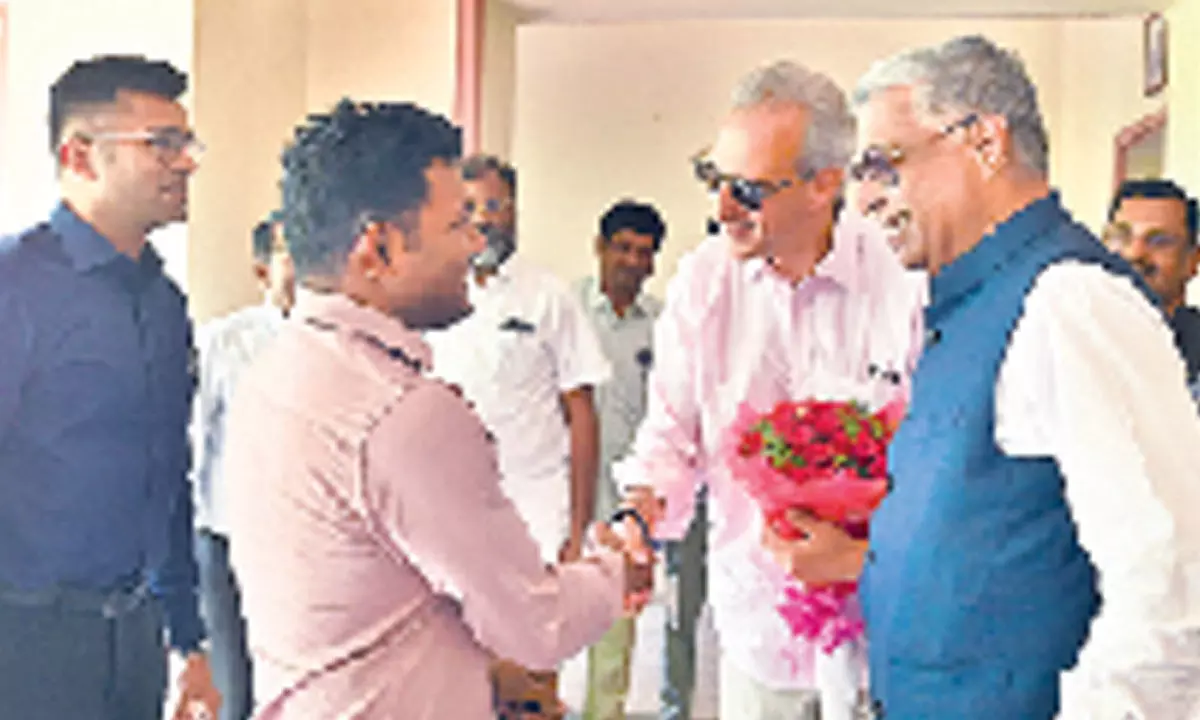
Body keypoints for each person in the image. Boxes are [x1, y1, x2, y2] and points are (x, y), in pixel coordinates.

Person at [769, 35, 1200, 718]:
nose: (865, 200)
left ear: (985, 142)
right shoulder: (967, 302)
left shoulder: (1071, 300)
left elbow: (1172, 587)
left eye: (882, 165)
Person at [223, 99, 652, 719]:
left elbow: (373, 603)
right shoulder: (402, 413)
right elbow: (539, 624)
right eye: (458, 225)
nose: (476, 243)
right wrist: (617, 571)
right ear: (379, 248)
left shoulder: (275, 372)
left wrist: (484, 675)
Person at [616, 60, 923, 720]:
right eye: (713, 178)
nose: (721, 208)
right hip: (760, 633)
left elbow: (936, 464)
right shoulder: (702, 284)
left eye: (748, 190)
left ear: (825, 183)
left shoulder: (902, 279)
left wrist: (863, 555)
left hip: (886, 634)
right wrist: (639, 517)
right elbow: (670, 438)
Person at [0, 55, 219, 720]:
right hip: (26, 638)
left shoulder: (163, 301)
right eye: (162, 144)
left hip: (134, 635)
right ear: (80, 155)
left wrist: (188, 637)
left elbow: (168, 474)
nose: (186, 163)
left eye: (186, 143)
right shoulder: (15, 286)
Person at [424, 154, 612, 703]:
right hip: (453, 511)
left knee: (534, 665)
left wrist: (577, 527)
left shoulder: (547, 295)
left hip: (536, 506)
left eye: (495, 205)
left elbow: (581, 411)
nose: (484, 219)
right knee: (461, 665)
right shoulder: (435, 295)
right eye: (470, 207)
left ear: (514, 210)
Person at [571, 199, 676, 719]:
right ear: (600, 247)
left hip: (625, 506)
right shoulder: (565, 312)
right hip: (565, 495)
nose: (633, 261)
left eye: (644, 252)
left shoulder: (663, 326)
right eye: (623, 248)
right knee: (538, 632)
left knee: (616, 633)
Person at [190, 212, 295, 720]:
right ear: (262, 269)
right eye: (289, 253)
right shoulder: (224, 341)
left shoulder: (342, 346)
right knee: (236, 693)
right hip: (227, 543)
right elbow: (193, 440)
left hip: (303, 550)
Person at [1103, 179, 1200, 394]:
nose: (1135, 253)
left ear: (1192, 261)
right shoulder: (1069, 336)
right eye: (1121, 236)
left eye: (1160, 241)